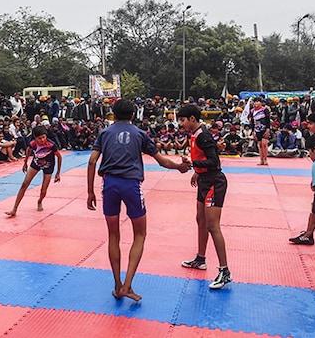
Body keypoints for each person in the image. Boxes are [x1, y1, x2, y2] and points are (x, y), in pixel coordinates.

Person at [86, 99, 189, 302]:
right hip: (131, 185)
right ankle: (128, 285)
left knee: (113, 235)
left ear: (113, 115)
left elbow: (91, 161)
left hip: (109, 184)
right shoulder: (140, 134)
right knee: (140, 234)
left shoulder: (104, 133)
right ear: (133, 115)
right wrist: (179, 166)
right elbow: (161, 160)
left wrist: (90, 192)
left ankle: (117, 284)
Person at [177, 104, 233, 290]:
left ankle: (225, 271)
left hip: (214, 183)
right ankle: (201, 258)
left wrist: (193, 164)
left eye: (183, 120)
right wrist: (198, 171)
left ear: (192, 119)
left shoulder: (203, 135)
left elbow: (214, 162)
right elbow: (205, 160)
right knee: (200, 220)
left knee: (212, 226)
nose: (181, 124)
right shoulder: (194, 134)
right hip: (204, 180)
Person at [5, 126, 63, 216]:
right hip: (36, 163)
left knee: (43, 189)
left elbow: (59, 157)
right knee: (24, 184)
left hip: (48, 166)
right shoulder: (33, 144)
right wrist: (25, 163)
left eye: (44, 137)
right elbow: (28, 150)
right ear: (35, 138)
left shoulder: (51, 145)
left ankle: (40, 201)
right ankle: (14, 209)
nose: (42, 140)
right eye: (39, 138)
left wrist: (58, 173)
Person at [249, 99, 270, 165]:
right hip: (257, 129)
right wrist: (252, 131)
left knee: (264, 144)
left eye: (258, 101)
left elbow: (268, 120)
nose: (256, 103)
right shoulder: (252, 111)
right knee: (260, 145)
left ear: (260, 103)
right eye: (255, 102)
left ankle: (265, 159)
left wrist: (268, 129)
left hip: (264, 128)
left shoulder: (265, 110)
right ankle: (261, 159)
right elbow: (252, 122)